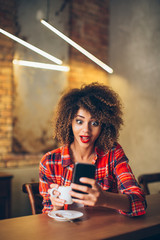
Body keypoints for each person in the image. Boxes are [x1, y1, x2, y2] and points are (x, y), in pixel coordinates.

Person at [39, 82, 146, 217]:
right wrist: (55, 207)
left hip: (108, 232)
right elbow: (46, 219)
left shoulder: (112, 153)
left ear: (104, 126)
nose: (86, 130)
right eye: (79, 121)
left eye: (94, 123)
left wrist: (105, 199)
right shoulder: (50, 161)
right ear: (69, 122)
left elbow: (140, 203)